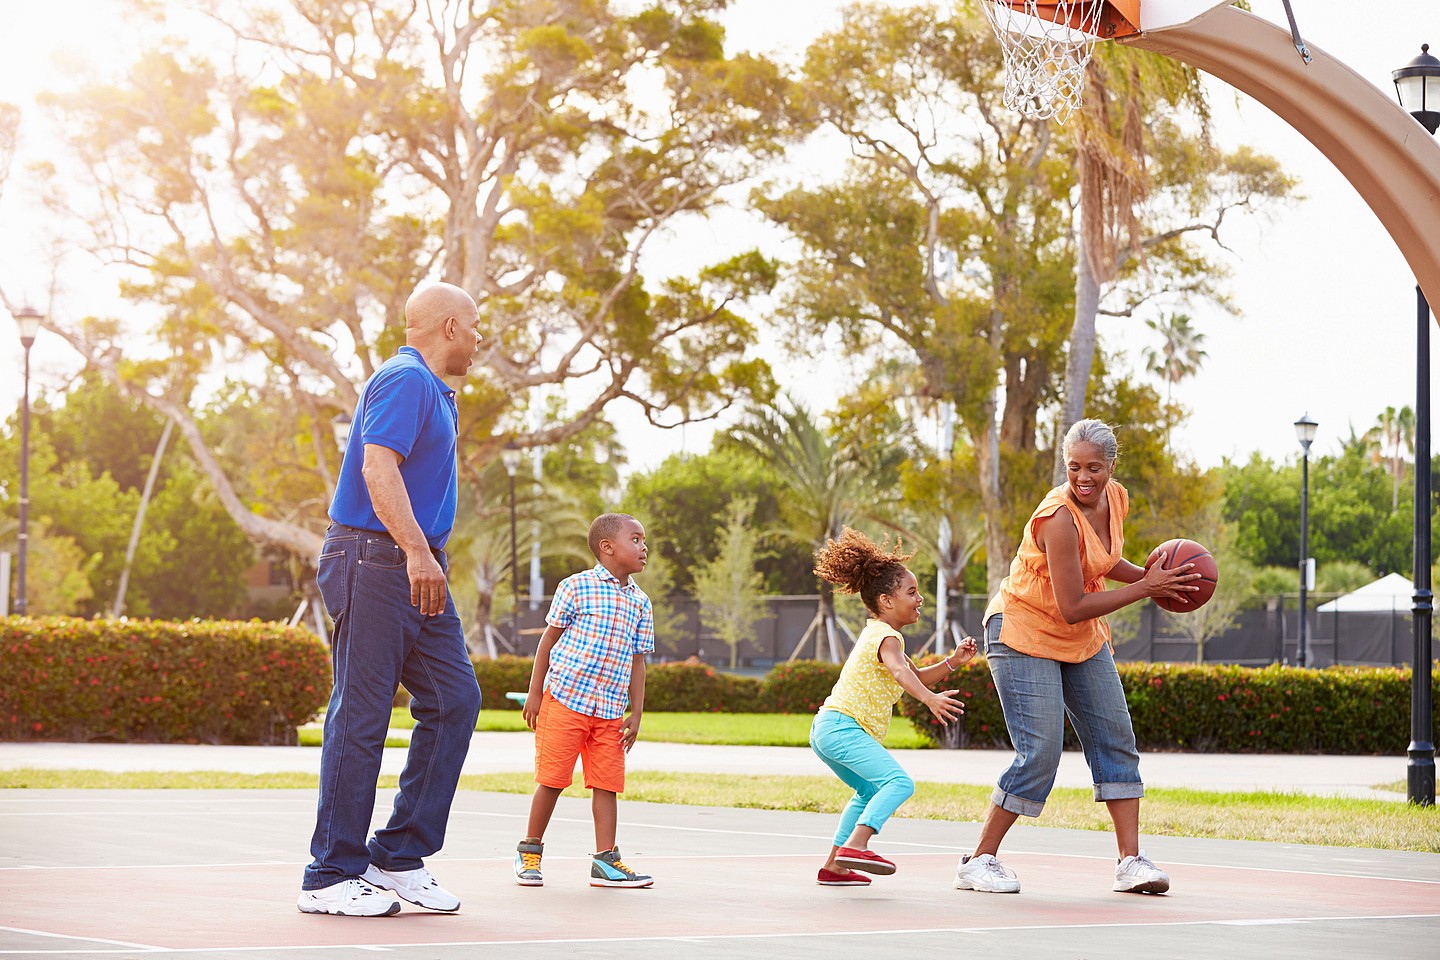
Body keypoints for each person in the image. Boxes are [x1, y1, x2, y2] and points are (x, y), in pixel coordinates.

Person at [297, 282, 484, 917]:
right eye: (476, 328)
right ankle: (330, 873)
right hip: (377, 560)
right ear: (451, 326)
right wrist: (415, 552)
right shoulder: (404, 379)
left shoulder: (438, 392)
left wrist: (422, 555)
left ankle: (398, 854)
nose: (480, 340)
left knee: (455, 699)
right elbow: (379, 468)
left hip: (412, 563)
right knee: (363, 715)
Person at [955, 418, 1200, 896]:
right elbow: (1071, 606)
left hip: (1079, 637)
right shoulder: (1059, 518)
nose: (1083, 477)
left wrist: (1154, 579)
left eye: (1093, 467)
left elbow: (1104, 565)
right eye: (1073, 468)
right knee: (1040, 752)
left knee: (1116, 738)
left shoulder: (1114, 498)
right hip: (1022, 631)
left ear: (1111, 465)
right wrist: (1145, 589)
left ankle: (1131, 862)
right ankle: (979, 860)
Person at [809, 527, 977, 887]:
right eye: (911, 592)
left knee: (870, 790)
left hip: (829, 728)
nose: (919, 600)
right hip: (842, 727)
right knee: (898, 782)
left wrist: (953, 661)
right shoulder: (887, 636)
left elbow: (917, 673)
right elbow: (902, 673)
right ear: (886, 601)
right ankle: (856, 846)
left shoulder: (882, 636)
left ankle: (834, 867)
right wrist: (929, 700)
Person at [513, 513, 656, 889]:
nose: (644, 548)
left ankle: (606, 861)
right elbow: (549, 639)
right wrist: (534, 691)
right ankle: (530, 851)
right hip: (564, 700)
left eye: (644, 541)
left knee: (607, 784)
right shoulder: (577, 587)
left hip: (609, 713)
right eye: (636, 540)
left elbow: (638, 660)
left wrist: (636, 712)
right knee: (553, 780)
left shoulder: (641, 603)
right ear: (607, 548)